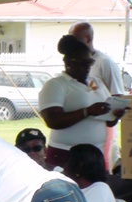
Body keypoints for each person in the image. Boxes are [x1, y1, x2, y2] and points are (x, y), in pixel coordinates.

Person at [39, 35, 127, 168]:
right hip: (66, 154)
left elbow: (108, 122)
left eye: (89, 63)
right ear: (68, 62)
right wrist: (87, 111)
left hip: (95, 153)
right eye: (82, 63)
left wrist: (115, 114)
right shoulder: (56, 85)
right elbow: (52, 120)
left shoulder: (96, 82)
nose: (87, 67)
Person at [70, 22, 125, 172]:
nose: (72, 45)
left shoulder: (104, 62)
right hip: (79, 132)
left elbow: (117, 97)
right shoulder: (73, 63)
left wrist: (104, 114)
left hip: (102, 129)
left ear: (88, 39)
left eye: (75, 39)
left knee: (99, 169)